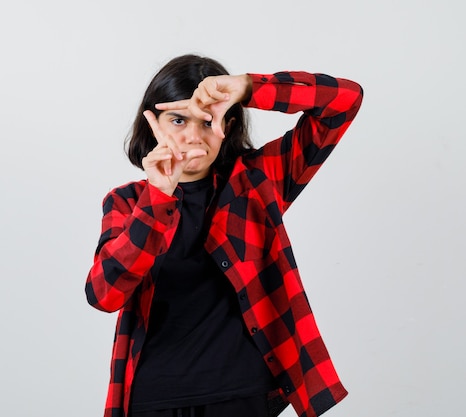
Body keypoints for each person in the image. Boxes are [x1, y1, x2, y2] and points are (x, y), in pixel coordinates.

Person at [85, 54, 363, 417]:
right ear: (152, 122)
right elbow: (103, 294)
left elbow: (344, 101)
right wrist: (157, 198)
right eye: (178, 119)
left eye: (206, 121)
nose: (192, 136)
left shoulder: (258, 181)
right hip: (154, 397)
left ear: (226, 127)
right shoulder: (127, 202)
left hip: (241, 394)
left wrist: (249, 87)